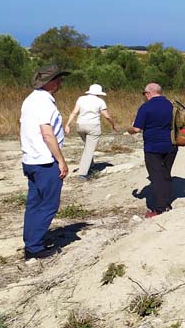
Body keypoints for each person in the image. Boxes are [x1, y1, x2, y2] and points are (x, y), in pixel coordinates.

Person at [20, 64, 69, 260]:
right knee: (48, 205)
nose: (60, 82)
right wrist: (61, 161)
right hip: (45, 161)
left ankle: (31, 241)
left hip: (30, 159)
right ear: (49, 82)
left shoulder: (30, 100)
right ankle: (34, 247)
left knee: (34, 203)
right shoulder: (44, 103)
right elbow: (47, 134)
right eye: (57, 79)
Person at [127, 82, 177, 217]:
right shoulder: (171, 105)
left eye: (144, 93)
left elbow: (137, 128)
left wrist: (129, 129)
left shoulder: (146, 107)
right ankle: (166, 203)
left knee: (156, 177)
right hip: (172, 145)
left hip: (153, 147)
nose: (144, 96)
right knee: (166, 174)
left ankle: (160, 208)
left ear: (149, 93)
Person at [65, 83, 116, 179]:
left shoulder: (81, 99)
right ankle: (83, 173)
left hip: (80, 125)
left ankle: (90, 164)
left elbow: (74, 112)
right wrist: (113, 124)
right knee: (89, 149)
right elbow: (107, 116)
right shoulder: (100, 101)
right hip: (93, 126)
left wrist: (67, 124)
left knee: (88, 146)